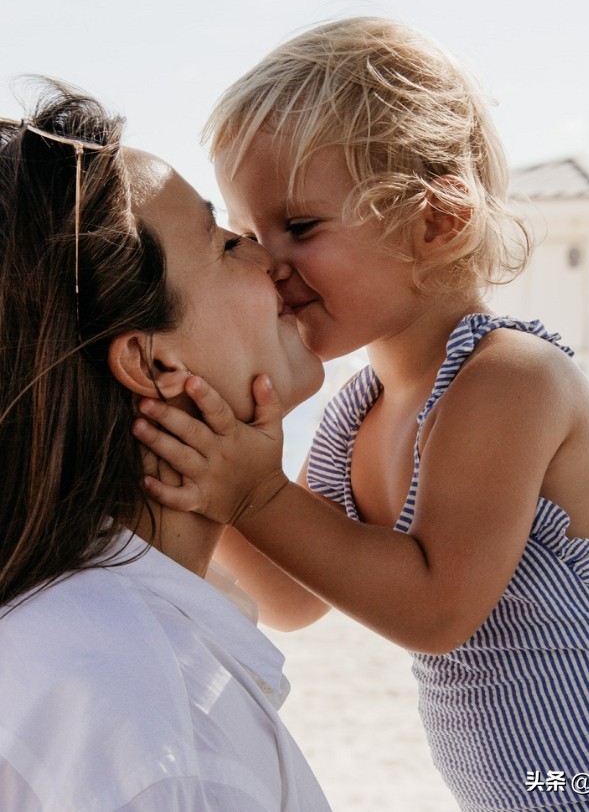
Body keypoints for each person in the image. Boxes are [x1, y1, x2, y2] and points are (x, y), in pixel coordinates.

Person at [138, 18, 589, 811]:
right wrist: (212, 469)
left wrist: (253, 492)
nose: (269, 262)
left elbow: (434, 609)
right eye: (249, 234)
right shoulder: (358, 413)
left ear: (437, 223)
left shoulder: (509, 379)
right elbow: (292, 599)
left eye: (300, 227)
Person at [0, 83, 332, 811]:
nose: (268, 255)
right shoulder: (155, 729)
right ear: (153, 365)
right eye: (223, 242)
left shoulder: (76, 640)